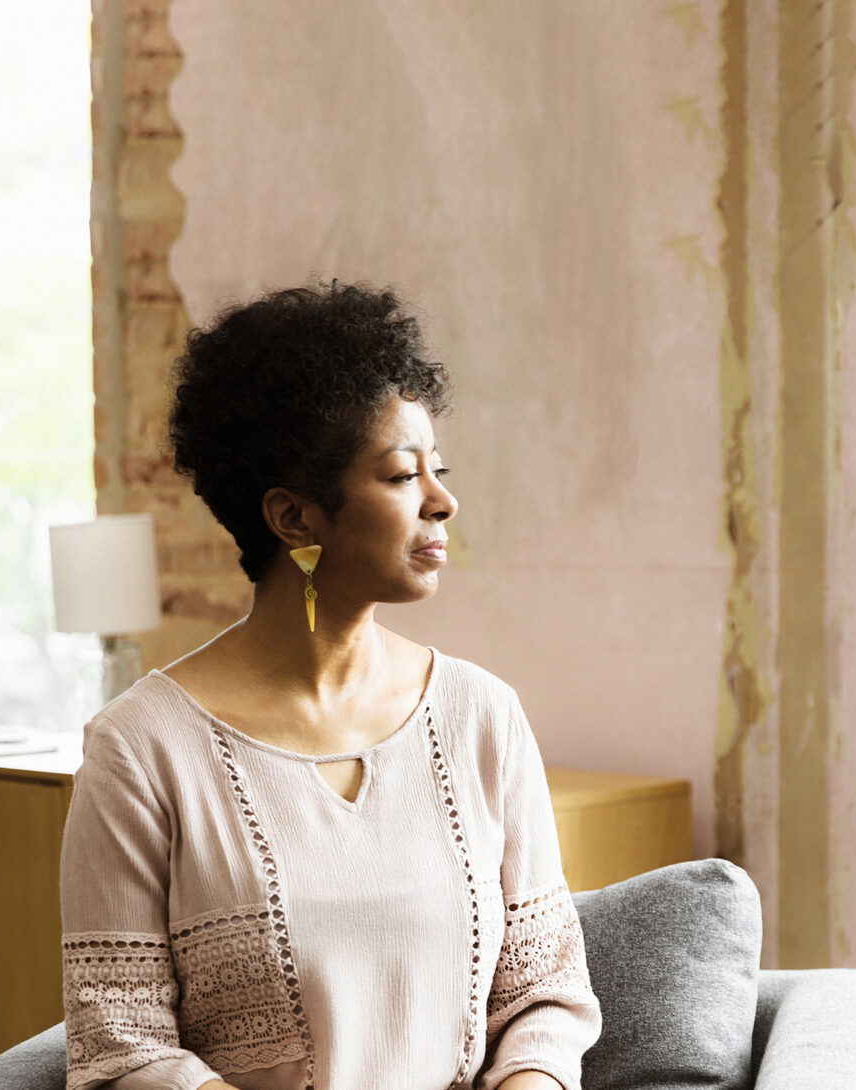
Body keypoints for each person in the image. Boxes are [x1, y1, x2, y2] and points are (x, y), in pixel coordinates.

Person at [59, 282, 600, 1090]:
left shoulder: (481, 716)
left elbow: (545, 994)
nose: (443, 503)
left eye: (438, 471)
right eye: (400, 477)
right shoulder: (141, 752)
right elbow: (121, 1048)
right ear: (295, 519)